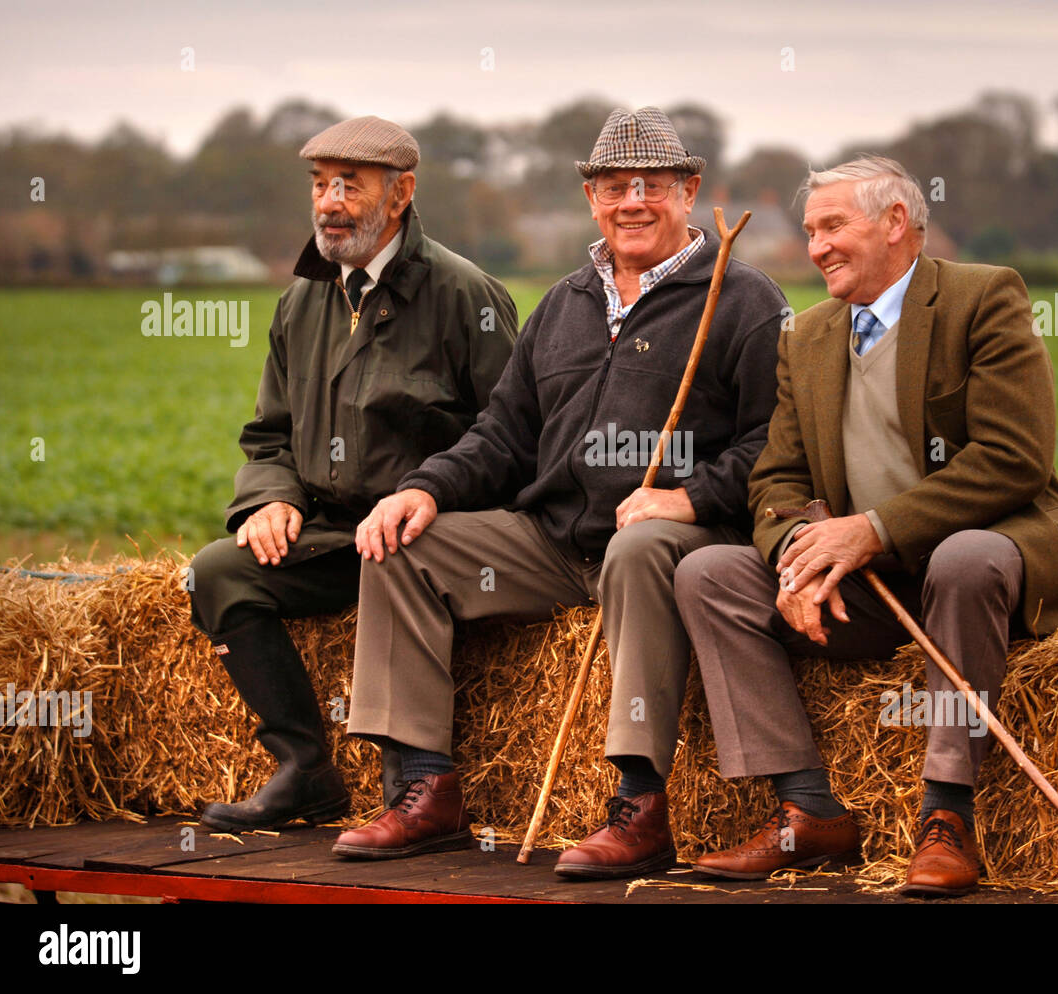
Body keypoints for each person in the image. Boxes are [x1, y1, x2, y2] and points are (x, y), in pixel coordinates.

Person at [331, 106, 786, 877]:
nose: (631, 201)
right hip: (554, 541)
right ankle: (425, 791)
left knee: (638, 547)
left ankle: (639, 808)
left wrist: (691, 498)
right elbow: (504, 432)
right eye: (612, 186)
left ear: (690, 189)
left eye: (651, 185)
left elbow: (777, 446)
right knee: (405, 547)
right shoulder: (564, 304)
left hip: (673, 541)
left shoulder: (743, 301)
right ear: (590, 199)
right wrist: (426, 488)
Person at [672, 154, 1058, 896]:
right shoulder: (807, 335)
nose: (815, 246)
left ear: (896, 223)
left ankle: (947, 817)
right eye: (809, 230)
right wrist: (799, 555)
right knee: (707, 573)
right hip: (872, 589)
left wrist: (876, 528)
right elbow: (779, 477)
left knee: (964, 557)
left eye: (832, 226)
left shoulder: (983, 297)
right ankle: (808, 810)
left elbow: (1014, 457)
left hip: (988, 566)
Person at [187, 116, 517, 832]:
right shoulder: (301, 300)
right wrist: (269, 501)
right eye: (319, 185)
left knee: (395, 555)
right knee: (218, 571)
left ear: (400, 195)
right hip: (335, 537)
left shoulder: (467, 296)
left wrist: (430, 497)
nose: (329, 203)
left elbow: (511, 438)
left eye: (349, 185)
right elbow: (269, 432)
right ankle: (304, 769)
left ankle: (413, 784)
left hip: (424, 536)